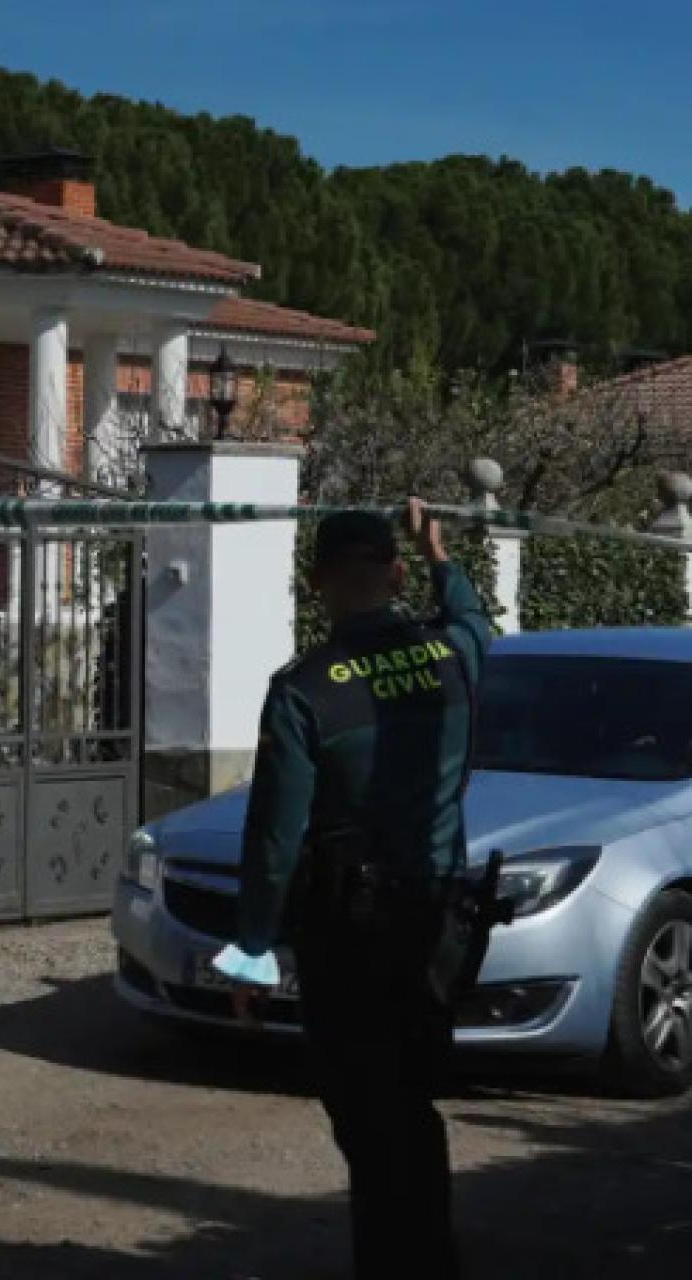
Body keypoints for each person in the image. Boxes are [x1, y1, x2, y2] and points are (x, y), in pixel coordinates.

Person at [229, 498, 490, 1278]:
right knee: (414, 1105)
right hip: (440, 918)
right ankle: (431, 1260)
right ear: (397, 572)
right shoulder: (453, 656)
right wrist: (440, 553)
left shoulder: (306, 690)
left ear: (317, 585)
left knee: (369, 1116)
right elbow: (472, 617)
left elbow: (276, 836)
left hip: (353, 930)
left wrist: (251, 944)